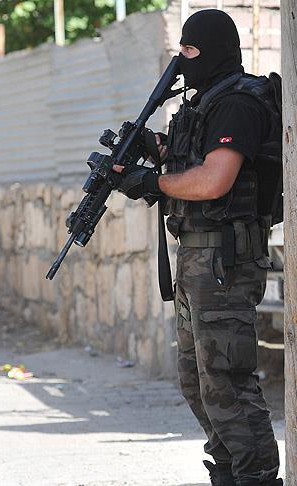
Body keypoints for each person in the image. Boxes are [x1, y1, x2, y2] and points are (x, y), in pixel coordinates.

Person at [115, 9, 282, 486]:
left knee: (227, 380)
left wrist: (153, 182)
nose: (183, 59)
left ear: (214, 51)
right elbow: (194, 158)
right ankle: (228, 471)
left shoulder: (237, 103)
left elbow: (214, 180)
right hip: (197, 258)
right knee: (197, 382)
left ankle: (257, 478)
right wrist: (155, 150)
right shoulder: (206, 103)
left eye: (191, 50)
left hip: (224, 259)